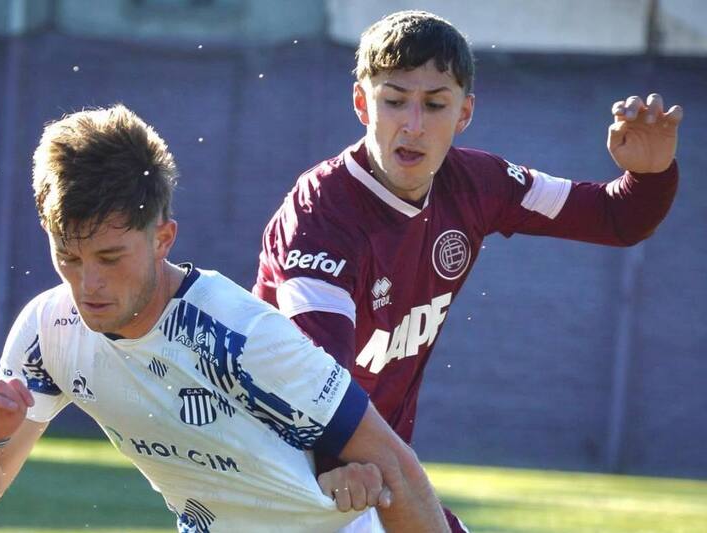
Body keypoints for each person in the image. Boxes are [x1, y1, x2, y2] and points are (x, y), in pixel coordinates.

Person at [253, 10, 684, 532]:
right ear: (362, 103)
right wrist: (343, 469)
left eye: (435, 104)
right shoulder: (321, 215)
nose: (413, 124)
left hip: (365, 468)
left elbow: (617, 218)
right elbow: (315, 377)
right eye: (394, 100)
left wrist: (651, 172)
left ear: (464, 114)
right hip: (281, 465)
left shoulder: (477, 184)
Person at [0, 105, 453, 532]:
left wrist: (347, 472)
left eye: (111, 258)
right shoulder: (48, 330)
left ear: (163, 238)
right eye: (68, 258)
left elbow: (398, 472)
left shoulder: (241, 336)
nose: (87, 285)